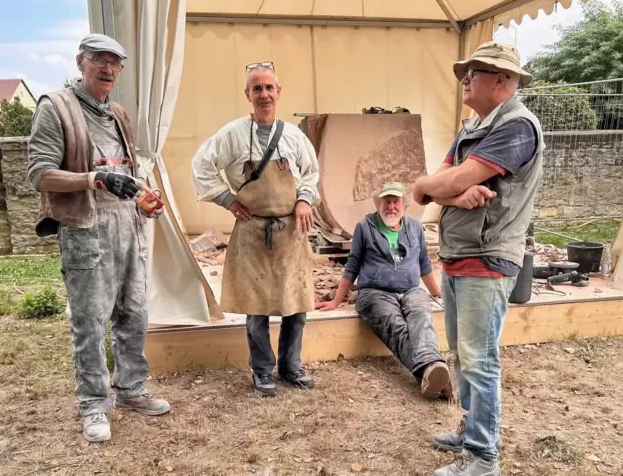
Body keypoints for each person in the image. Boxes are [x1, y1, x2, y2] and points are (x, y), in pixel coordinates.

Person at [27, 34, 171, 443]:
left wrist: (144, 198)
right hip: (86, 230)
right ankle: (94, 404)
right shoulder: (55, 108)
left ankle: (130, 389)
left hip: (128, 227)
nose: (108, 69)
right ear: (81, 62)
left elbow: (126, 170)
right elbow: (39, 173)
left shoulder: (117, 113)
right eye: (100, 60)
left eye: (115, 63)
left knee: (134, 315)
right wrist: (95, 178)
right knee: (90, 323)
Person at [411, 42, 543, 476]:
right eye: (465, 71)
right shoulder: (475, 126)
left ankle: (483, 457)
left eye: (476, 71)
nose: (465, 78)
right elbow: (424, 187)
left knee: (479, 358)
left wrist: (446, 185)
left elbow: (452, 178)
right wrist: (447, 188)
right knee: (465, 356)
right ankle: (473, 434)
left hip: (487, 257)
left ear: (502, 80)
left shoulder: (517, 126)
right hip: (459, 254)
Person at [191, 61, 319, 397]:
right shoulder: (231, 135)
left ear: (279, 91)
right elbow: (201, 167)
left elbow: (311, 173)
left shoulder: (293, 136)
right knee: (256, 307)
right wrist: (226, 200)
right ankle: (262, 371)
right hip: (251, 232)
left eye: (269, 87)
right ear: (247, 95)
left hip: (291, 232)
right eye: (257, 88)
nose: (264, 94)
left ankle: (291, 368)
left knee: (296, 304)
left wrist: (304, 199)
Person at [316, 182, 452, 400]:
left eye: (396, 201)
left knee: (421, 317)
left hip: (410, 290)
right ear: (378, 203)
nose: (391, 206)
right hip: (375, 293)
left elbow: (424, 264)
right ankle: (433, 369)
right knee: (395, 325)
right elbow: (352, 266)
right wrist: (336, 301)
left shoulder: (415, 228)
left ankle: (430, 372)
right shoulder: (365, 227)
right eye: (386, 201)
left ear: (404, 205)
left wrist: (437, 292)